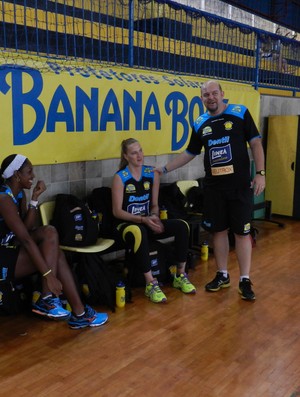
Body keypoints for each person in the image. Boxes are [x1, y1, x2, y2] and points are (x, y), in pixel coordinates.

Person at [156, 80, 266, 301]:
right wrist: (164, 168)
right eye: (206, 95)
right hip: (214, 189)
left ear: (222, 94)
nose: (211, 98)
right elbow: (189, 153)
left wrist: (260, 173)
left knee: (242, 233)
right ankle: (222, 274)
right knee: (218, 231)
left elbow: (255, 143)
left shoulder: (240, 113)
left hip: (239, 187)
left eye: (214, 93)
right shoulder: (200, 123)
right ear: (201, 99)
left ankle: (244, 279)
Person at [0, 154, 108, 329]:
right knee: (52, 243)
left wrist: (34, 199)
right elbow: (26, 239)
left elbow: (26, 229)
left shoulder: (19, 195)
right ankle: (52, 301)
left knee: (51, 239)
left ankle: (74, 311)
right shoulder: (3, 199)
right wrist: (48, 276)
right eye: (29, 172)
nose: (33, 176)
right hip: (3, 257)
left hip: (11, 250)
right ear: (16, 176)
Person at [111, 138, 196, 304]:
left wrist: (154, 217)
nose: (139, 155)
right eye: (134, 153)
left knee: (181, 226)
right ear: (126, 156)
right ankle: (151, 284)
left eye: (140, 151)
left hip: (147, 220)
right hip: (126, 224)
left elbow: (155, 205)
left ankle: (180, 275)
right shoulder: (120, 178)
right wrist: (143, 219)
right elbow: (117, 212)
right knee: (139, 231)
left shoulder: (152, 174)